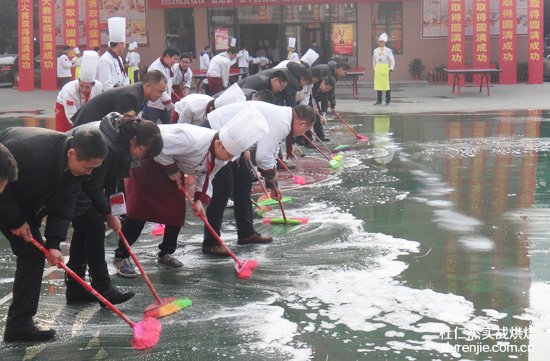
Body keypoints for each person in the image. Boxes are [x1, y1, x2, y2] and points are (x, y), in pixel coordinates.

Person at [112, 107, 269, 277]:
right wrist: (171, 169)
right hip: (148, 162)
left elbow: (207, 175)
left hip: (173, 168)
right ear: (219, 144)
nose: (230, 159)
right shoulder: (191, 139)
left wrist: (199, 200)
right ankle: (121, 256)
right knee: (140, 211)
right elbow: (158, 146)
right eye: (230, 154)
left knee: (176, 210)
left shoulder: (222, 156)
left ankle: (166, 253)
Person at [0, 128, 107, 342]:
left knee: (33, 252)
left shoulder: (76, 171)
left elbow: (64, 206)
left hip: (19, 199)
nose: (89, 173)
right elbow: (3, 186)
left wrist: (55, 243)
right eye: (87, 167)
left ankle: (19, 325)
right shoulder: (31, 153)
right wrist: (15, 220)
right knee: (31, 253)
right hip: (7, 197)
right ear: (72, 154)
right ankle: (19, 324)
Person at [65, 112, 163, 303]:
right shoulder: (108, 147)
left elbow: (110, 182)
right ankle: (103, 288)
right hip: (71, 179)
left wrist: (112, 210)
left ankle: (75, 289)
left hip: (83, 182)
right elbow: (92, 185)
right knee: (93, 228)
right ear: (134, 140)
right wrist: (108, 214)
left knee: (85, 230)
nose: (142, 157)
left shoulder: (121, 142)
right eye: (143, 150)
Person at [201, 102, 315, 256]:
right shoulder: (282, 122)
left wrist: (273, 184)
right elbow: (263, 157)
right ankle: (211, 243)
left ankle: (246, 233)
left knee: (244, 180)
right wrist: (272, 179)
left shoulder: (284, 117)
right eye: (305, 130)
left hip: (233, 139)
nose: (301, 134)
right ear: (301, 123)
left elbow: (272, 151)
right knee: (223, 187)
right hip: (216, 132)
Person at [72, 70, 168, 127]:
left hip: (96, 125)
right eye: (160, 91)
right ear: (147, 86)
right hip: (86, 125)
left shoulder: (138, 93)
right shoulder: (131, 96)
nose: (161, 96)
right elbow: (125, 127)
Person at [55, 50, 103, 132]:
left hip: (84, 107)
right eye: (81, 86)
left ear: (93, 84)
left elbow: (96, 107)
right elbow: (72, 118)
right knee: (65, 133)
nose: (84, 89)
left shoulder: (98, 86)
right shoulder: (69, 91)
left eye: (87, 87)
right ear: (78, 81)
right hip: (63, 108)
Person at [173, 83, 245, 125]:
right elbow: (182, 127)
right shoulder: (191, 107)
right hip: (179, 114)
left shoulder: (214, 103)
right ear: (211, 109)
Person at [144, 46, 180, 124]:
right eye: (175, 58)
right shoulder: (155, 67)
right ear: (167, 56)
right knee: (148, 128)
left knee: (170, 127)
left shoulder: (170, 66)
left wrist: (170, 88)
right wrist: (171, 106)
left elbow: (167, 82)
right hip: (153, 105)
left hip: (166, 105)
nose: (176, 62)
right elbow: (158, 90)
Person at [96, 17, 129, 90]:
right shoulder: (105, 60)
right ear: (119, 45)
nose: (124, 47)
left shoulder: (119, 58)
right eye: (124, 44)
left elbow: (124, 78)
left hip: (119, 93)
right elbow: (106, 85)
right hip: (110, 96)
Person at [373, 32, 395, 106]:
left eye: (382, 42)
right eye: (380, 42)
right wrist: (374, 68)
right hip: (378, 68)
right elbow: (374, 60)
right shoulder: (375, 50)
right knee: (378, 85)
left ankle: (387, 100)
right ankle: (379, 100)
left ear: (385, 43)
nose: (381, 43)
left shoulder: (388, 50)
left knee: (386, 85)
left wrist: (391, 68)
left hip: (385, 68)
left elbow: (392, 59)